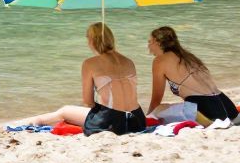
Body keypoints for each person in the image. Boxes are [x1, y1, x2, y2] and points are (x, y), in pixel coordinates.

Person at [16, 21, 145, 135]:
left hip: (112, 123)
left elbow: (88, 101)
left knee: (64, 111)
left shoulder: (90, 63)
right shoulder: (129, 61)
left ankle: (30, 122)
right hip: (137, 120)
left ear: (92, 40)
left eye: (88, 38)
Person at [147, 26, 238, 122]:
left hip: (207, 113)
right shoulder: (188, 56)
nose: (148, 46)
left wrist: (149, 116)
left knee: (157, 111)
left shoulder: (160, 61)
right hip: (228, 108)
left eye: (150, 42)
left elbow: (156, 100)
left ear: (157, 42)